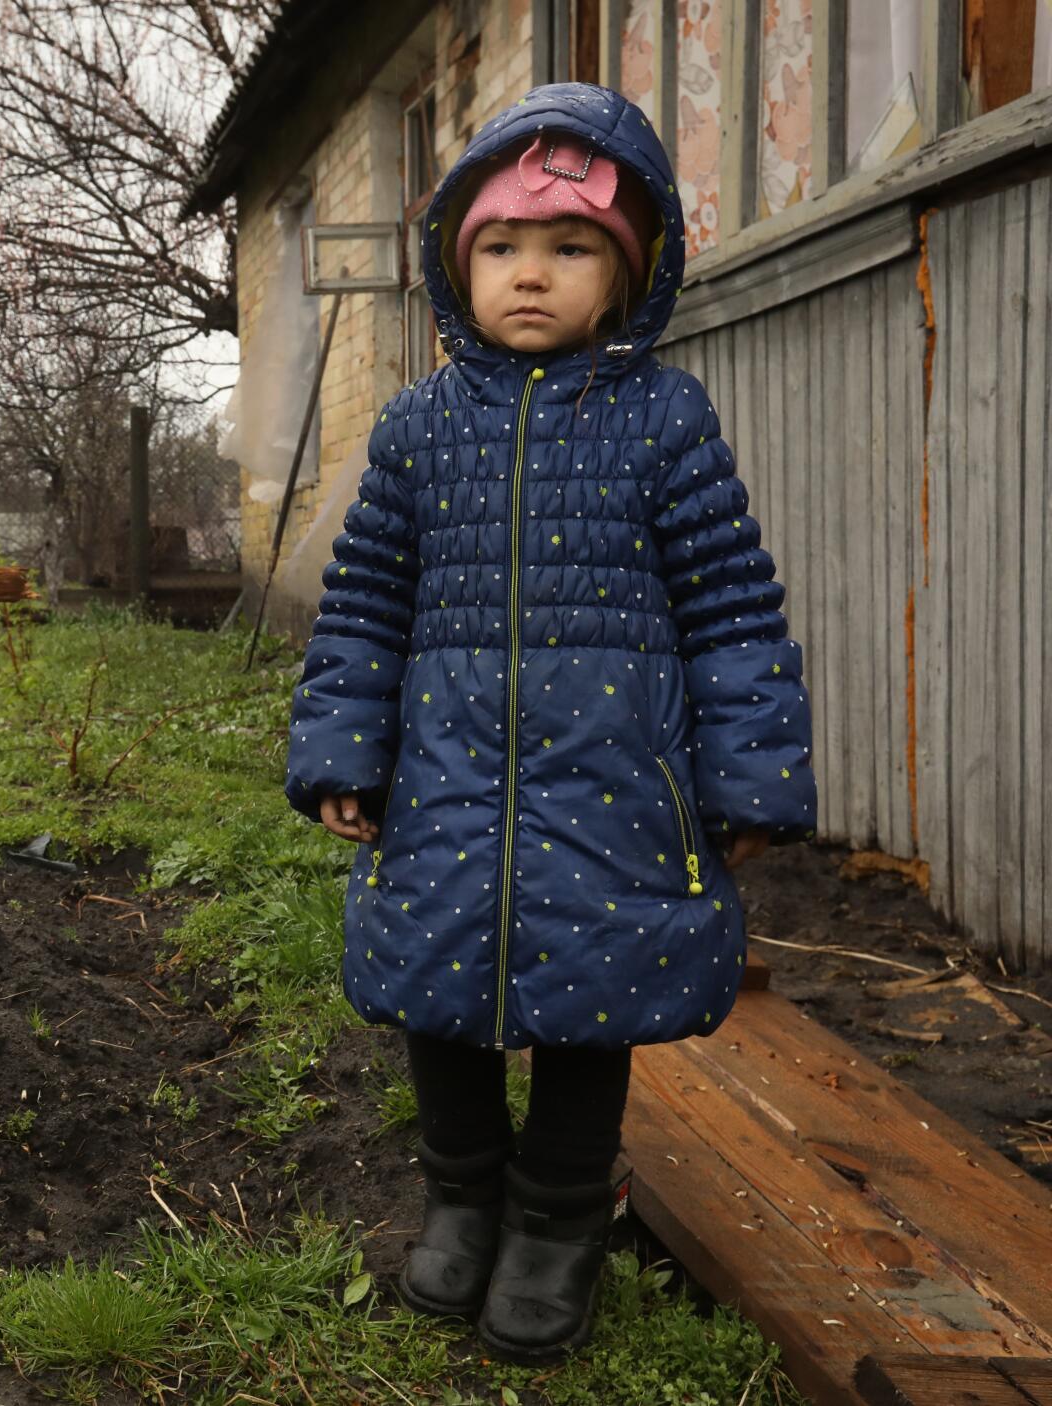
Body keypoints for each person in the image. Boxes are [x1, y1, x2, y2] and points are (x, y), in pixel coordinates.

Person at [282, 83, 816, 1361]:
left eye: (569, 248)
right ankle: (461, 1196)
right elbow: (362, 603)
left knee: (596, 1000)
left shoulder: (664, 423)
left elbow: (732, 609)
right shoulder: (413, 429)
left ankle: (559, 1221)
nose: (531, 276)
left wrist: (747, 777)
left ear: (629, 271)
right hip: (442, 777)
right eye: (501, 247)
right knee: (432, 990)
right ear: (453, 263)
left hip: (612, 781)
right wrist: (342, 749)